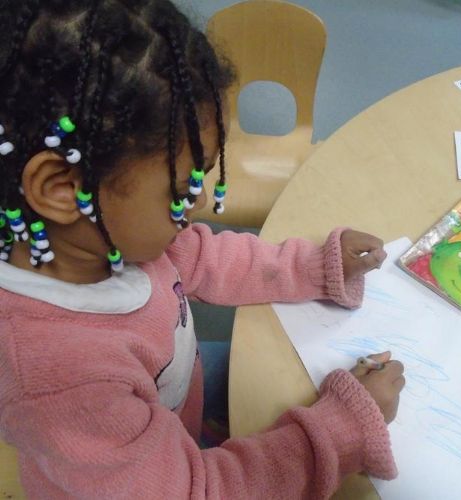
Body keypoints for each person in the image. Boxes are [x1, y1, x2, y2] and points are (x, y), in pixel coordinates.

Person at [0, 1, 405, 498]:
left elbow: (209, 259)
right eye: (182, 189)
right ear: (62, 188)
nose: (198, 204)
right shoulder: (64, 382)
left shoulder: (106, 239)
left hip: (172, 415)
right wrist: (344, 430)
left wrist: (316, 266)